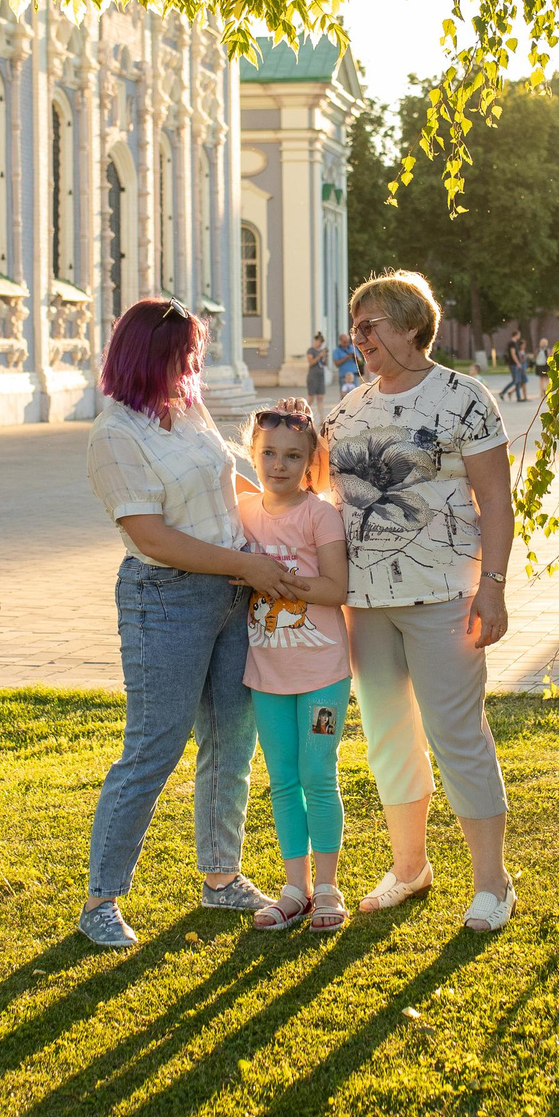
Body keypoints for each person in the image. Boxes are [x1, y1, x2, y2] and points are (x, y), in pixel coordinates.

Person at [79, 298, 298, 949]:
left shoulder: (186, 407)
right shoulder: (114, 434)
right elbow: (153, 537)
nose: (192, 366)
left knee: (233, 739)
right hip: (165, 600)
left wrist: (296, 514)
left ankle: (221, 876)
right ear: (149, 357)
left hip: (233, 595)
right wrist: (244, 564)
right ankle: (100, 899)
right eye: (183, 356)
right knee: (154, 747)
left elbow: (228, 478)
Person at [324, 270, 520, 932]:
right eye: (355, 328)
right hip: (365, 604)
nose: (359, 338)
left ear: (412, 325)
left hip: (444, 597)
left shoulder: (466, 398)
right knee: (387, 736)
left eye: (370, 325)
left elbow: (496, 498)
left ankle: (493, 883)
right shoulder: (345, 410)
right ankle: (410, 867)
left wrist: (492, 583)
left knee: (457, 733)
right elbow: (334, 504)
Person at [234, 399, 354, 931]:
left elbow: (335, 588)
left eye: (291, 456)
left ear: (310, 463)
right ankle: (294, 888)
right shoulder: (244, 511)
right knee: (282, 779)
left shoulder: (320, 514)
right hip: (267, 677)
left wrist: (274, 580)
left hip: (323, 674)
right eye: (268, 453)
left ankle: (328, 889)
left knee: (317, 774)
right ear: (253, 455)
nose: (277, 465)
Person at [504, 331, 530, 404]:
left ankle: (518, 397)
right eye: (519, 335)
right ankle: (503, 392)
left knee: (518, 381)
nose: (519, 336)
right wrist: (518, 363)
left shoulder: (514, 343)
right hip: (514, 364)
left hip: (515, 364)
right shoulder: (512, 343)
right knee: (515, 381)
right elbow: (513, 354)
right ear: (516, 335)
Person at [305, 330, 330, 401]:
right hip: (313, 376)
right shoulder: (311, 350)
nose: (320, 344)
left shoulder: (321, 350)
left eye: (322, 343)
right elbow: (311, 363)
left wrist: (326, 356)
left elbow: (325, 364)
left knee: (320, 397)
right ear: (315, 341)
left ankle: (321, 412)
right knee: (311, 397)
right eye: (319, 342)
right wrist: (319, 356)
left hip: (321, 376)